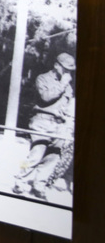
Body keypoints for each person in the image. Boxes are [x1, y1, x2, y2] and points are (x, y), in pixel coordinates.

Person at [13, 52, 75, 200]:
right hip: (42, 121)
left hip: (58, 125)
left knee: (53, 158)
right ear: (56, 65)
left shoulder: (68, 87)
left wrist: (68, 123)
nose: (68, 72)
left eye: (71, 70)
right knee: (35, 155)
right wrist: (62, 84)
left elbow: (67, 105)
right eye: (65, 68)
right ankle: (19, 181)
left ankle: (38, 186)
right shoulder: (43, 78)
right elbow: (46, 97)